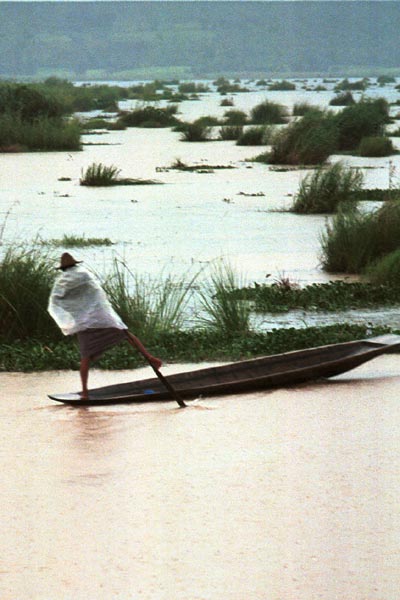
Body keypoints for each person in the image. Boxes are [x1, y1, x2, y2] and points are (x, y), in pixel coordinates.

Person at [48, 252, 162, 399]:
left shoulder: (62, 281)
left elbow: (56, 302)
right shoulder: (84, 275)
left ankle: (85, 393)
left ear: (63, 268)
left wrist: (75, 314)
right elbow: (97, 295)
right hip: (101, 317)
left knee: (85, 357)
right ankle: (150, 357)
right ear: (75, 264)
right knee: (126, 334)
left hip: (84, 323)